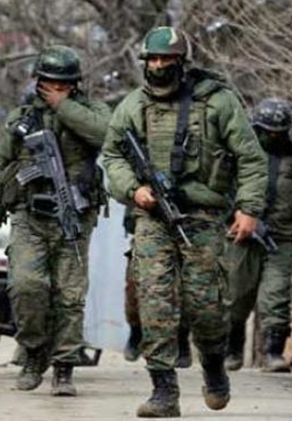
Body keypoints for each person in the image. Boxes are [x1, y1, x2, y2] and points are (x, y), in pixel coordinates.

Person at [102, 26, 268, 418]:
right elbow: (113, 156)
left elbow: (251, 158)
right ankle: (163, 390)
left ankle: (213, 365)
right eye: (154, 59)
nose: (159, 66)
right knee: (154, 301)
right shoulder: (133, 106)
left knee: (205, 306)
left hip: (203, 217)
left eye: (168, 59)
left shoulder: (217, 102)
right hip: (152, 218)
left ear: (182, 62)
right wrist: (133, 190)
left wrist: (248, 209)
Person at [0, 45, 110, 396]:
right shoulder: (21, 117)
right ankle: (34, 352)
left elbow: (105, 135)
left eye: (64, 84)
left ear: (75, 84)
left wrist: (63, 107)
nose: (57, 88)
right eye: (50, 82)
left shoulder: (92, 111)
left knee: (69, 295)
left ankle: (64, 366)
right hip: (29, 215)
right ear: (38, 81)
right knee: (26, 286)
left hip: (75, 216)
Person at [224, 98, 292, 373]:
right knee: (235, 294)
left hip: (281, 235)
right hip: (241, 233)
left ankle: (273, 351)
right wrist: (234, 215)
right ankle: (232, 349)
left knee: (275, 294)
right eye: (267, 132)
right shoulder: (237, 150)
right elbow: (221, 189)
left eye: (279, 132)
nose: (273, 137)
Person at [122, 208, 192, 368]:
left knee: (185, 289)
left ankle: (182, 340)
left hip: (185, 231)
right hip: (147, 228)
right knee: (136, 287)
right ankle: (136, 332)